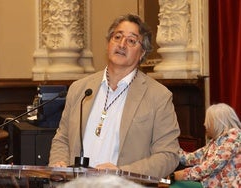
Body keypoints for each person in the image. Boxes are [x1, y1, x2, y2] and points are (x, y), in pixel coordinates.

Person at [49, 13, 180, 179]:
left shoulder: (159, 96)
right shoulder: (80, 89)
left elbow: (168, 156)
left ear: (142, 53)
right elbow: (62, 138)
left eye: (131, 40)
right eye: (117, 37)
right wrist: (59, 162)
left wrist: (121, 173)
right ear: (108, 44)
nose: (122, 44)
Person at [171, 103, 241, 187]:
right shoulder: (216, 141)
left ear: (217, 122)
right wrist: (169, 148)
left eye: (208, 121)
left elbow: (211, 166)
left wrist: (179, 175)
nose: (205, 124)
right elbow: (191, 158)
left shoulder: (233, 138)